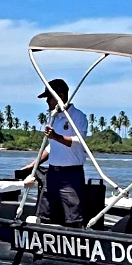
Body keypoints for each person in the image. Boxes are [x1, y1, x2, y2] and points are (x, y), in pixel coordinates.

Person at [19, 78, 89, 227]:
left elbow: (79, 141)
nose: (47, 102)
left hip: (70, 175)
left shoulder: (78, 117)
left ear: (60, 96)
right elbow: (51, 147)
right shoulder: (54, 117)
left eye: (49, 98)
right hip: (52, 174)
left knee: (73, 216)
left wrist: (55, 136)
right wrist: (32, 165)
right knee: (46, 213)